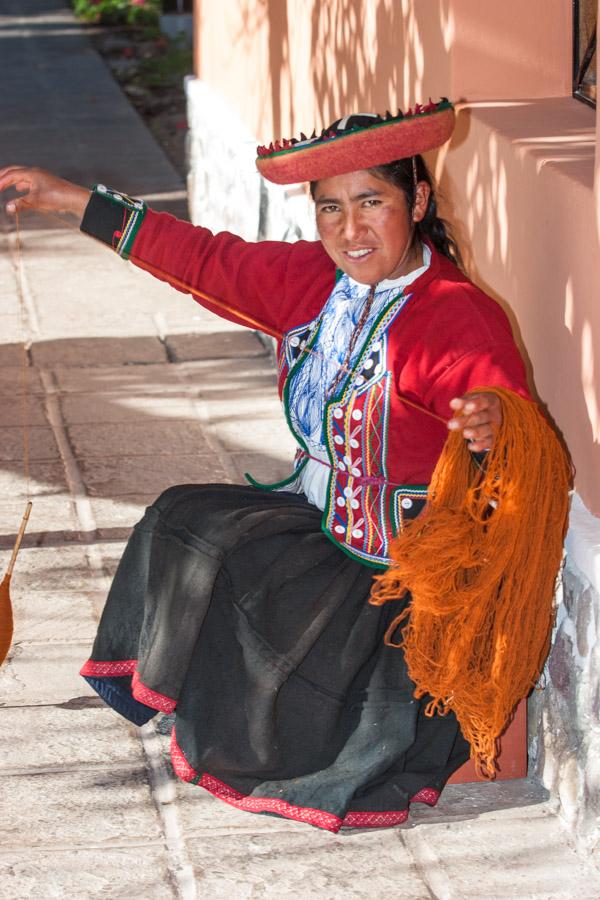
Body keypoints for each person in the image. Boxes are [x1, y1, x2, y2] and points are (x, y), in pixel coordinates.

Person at [0, 100, 531, 832]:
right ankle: (188, 692)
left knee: (273, 655)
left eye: (372, 202)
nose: (351, 229)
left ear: (419, 200)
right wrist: (72, 202)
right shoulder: (316, 283)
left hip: (401, 578)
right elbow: (204, 259)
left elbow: (507, 418)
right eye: (331, 209)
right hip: (326, 524)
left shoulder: (454, 313)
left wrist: (492, 425)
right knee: (186, 523)